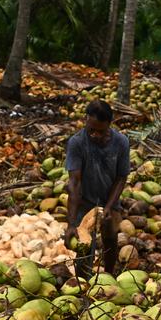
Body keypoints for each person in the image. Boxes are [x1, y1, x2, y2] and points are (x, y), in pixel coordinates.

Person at [63, 99, 130, 278]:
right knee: (84, 248)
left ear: (110, 124)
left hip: (109, 198)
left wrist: (108, 207)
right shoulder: (77, 142)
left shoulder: (121, 142)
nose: (94, 135)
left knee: (110, 238)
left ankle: (109, 275)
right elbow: (74, 184)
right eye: (90, 129)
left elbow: (121, 177)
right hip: (85, 201)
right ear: (86, 120)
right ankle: (83, 282)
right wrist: (71, 224)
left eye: (100, 131)